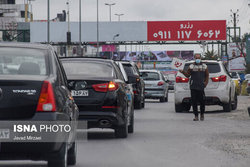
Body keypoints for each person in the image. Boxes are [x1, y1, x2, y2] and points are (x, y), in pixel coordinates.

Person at [179, 54, 209, 121]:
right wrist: (183, 71)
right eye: (196, 58)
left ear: (200, 58)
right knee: (194, 102)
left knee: (202, 102)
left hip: (201, 87)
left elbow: (207, 75)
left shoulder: (204, 66)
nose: (197, 59)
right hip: (193, 87)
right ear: (194, 58)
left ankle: (202, 115)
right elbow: (187, 75)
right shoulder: (191, 66)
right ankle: (196, 116)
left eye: (199, 58)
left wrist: (205, 83)